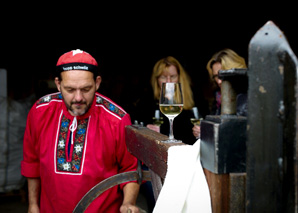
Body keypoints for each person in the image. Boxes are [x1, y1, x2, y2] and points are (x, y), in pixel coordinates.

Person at [21, 49, 140, 213]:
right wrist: (33, 206)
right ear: (58, 84)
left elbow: (130, 171)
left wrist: (128, 203)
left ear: (97, 83)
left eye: (86, 89)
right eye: (70, 89)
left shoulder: (117, 120)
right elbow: (31, 162)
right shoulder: (40, 111)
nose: (78, 98)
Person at [142, 56, 199, 145]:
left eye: (173, 76)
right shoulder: (148, 100)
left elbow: (191, 133)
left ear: (179, 77)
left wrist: (162, 130)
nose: (168, 81)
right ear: (156, 79)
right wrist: (146, 129)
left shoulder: (194, 97)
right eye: (163, 77)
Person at [192, 48, 247, 138]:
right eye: (216, 76)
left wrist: (208, 133)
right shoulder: (219, 99)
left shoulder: (247, 99)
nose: (219, 81)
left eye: (224, 75)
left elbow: (238, 136)